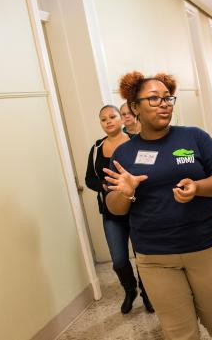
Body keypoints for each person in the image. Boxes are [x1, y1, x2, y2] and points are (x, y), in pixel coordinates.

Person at [104, 71, 212, 340]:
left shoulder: (193, 137)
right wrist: (126, 193)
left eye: (167, 98)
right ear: (134, 107)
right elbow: (115, 208)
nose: (164, 104)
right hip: (155, 257)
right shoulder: (124, 154)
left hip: (204, 248)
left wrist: (198, 187)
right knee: (180, 333)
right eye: (153, 99)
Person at [85, 105, 153, 314]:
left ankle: (147, 294)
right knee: (119, 259)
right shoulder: (96, 148)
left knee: (141, 256)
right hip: (111, 213)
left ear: (122, 119)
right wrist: (103, 186)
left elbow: (147, 171)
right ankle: (130, 289)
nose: (109, 121)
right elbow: (89, 179)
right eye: (103, 119)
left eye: (113, 116)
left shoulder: (135, 143)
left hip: (137, 208)